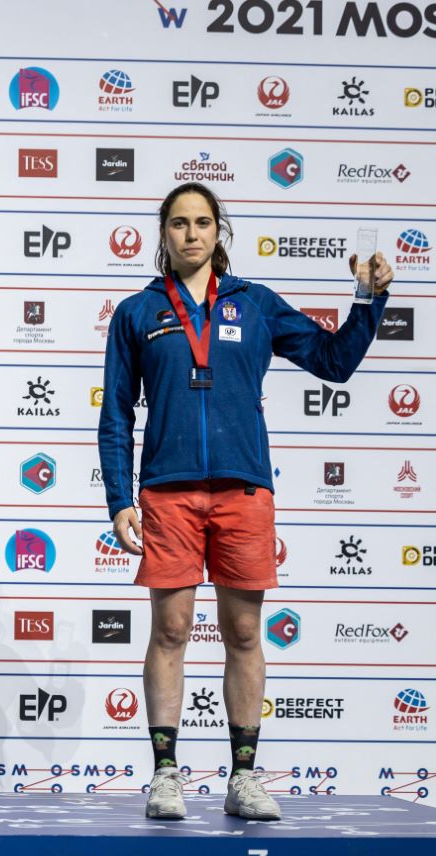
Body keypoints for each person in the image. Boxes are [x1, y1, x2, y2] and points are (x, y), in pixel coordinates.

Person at [99, 182, 391, 820]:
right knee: (171, 629)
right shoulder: (137, 313)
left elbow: (334, 363)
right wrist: (120, 497)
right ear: (164, 234)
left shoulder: (254, 305)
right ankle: (167, 774)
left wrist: (367, 298)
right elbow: (116, 415)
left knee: (243, 630)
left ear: (219, 232)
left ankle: (245, 776)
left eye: (203, 222)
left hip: (243, 490)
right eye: (178, 224)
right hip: (168, 493)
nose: (191, 234)